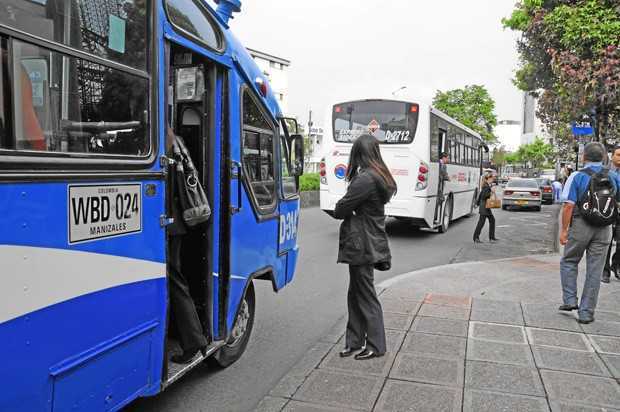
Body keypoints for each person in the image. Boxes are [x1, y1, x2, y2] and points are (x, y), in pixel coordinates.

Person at [333, 134, 396, 361]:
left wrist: (345, 208)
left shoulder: (366, 179)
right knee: (356, 293)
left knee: (365, 294)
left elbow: (341, 208)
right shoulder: (379, 175)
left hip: (362, 242)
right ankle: (354, 342)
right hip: (368, 239)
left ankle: (376, 345)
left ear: (359, 153)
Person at [559, 142, 620, 323]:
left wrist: (564, 230)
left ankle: (570, 300)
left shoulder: (576, 176)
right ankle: (586, 313)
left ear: (583, 157)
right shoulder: (614, 176)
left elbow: (568, 206)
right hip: (604, 229)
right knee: (595, 270)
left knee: (569, 260)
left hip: (580, 225)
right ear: (604, 158)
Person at [166, 128, 208, 363]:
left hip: (169, 225)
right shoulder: (178, 141)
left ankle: (193, 340)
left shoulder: (162, 140)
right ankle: (192, 339)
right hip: (177, 223)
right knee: (175, 279)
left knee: (174, 280)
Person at [603, 145, 620, 283]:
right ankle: (605, 271)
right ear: (612, 156)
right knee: (607, 242)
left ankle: (616, 265)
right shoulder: (605, 172)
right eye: (618, 155)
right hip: (608, 212)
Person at [473, 172, 498, 243]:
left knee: (491, 220)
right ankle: (476, 237)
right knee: (482, 222)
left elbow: (480, 195)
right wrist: (492, 192)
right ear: (488, 179)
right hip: (484, 207)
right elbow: (484, 196)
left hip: (485, 206)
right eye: (492, 178)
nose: (493, 180)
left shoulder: (486, 185)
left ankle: (491, 237)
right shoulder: (486, 186)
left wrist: (477, 204)